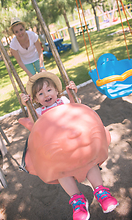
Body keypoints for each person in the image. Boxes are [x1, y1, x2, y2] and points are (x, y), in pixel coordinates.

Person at [20, 72, 119, 220]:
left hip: (78, 142)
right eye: (40, 93)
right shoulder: (38, 112)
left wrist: (72, 94)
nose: (46, 95)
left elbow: (77, 108)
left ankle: (101, 192)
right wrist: (26, 104)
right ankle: (78, 200)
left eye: (49, 90)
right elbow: (35, 126)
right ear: (35, 99)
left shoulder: (63, 101)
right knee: (61, 173)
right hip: (59, 151)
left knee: (91, 163)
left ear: (56, 91)